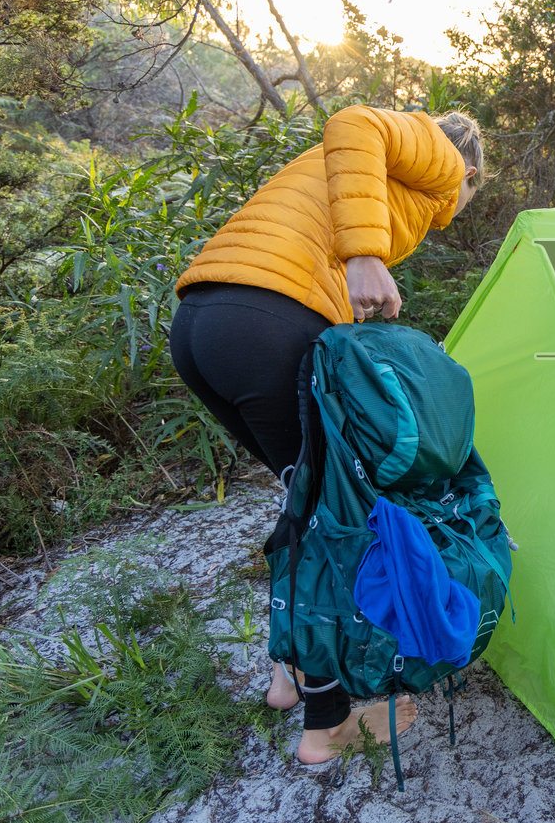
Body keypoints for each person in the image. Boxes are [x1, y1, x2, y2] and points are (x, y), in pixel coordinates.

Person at [169, 104, 484, 764]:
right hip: (267, 322)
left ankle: (289, 673)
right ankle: (327, 724)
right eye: (467, 195)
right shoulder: (436, 151)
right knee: (335, 522)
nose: (455, 210)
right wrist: (366, 255)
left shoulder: (354, 178)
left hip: (203, 325)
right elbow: (353, 122)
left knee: (306, 504)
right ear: (469, 173)